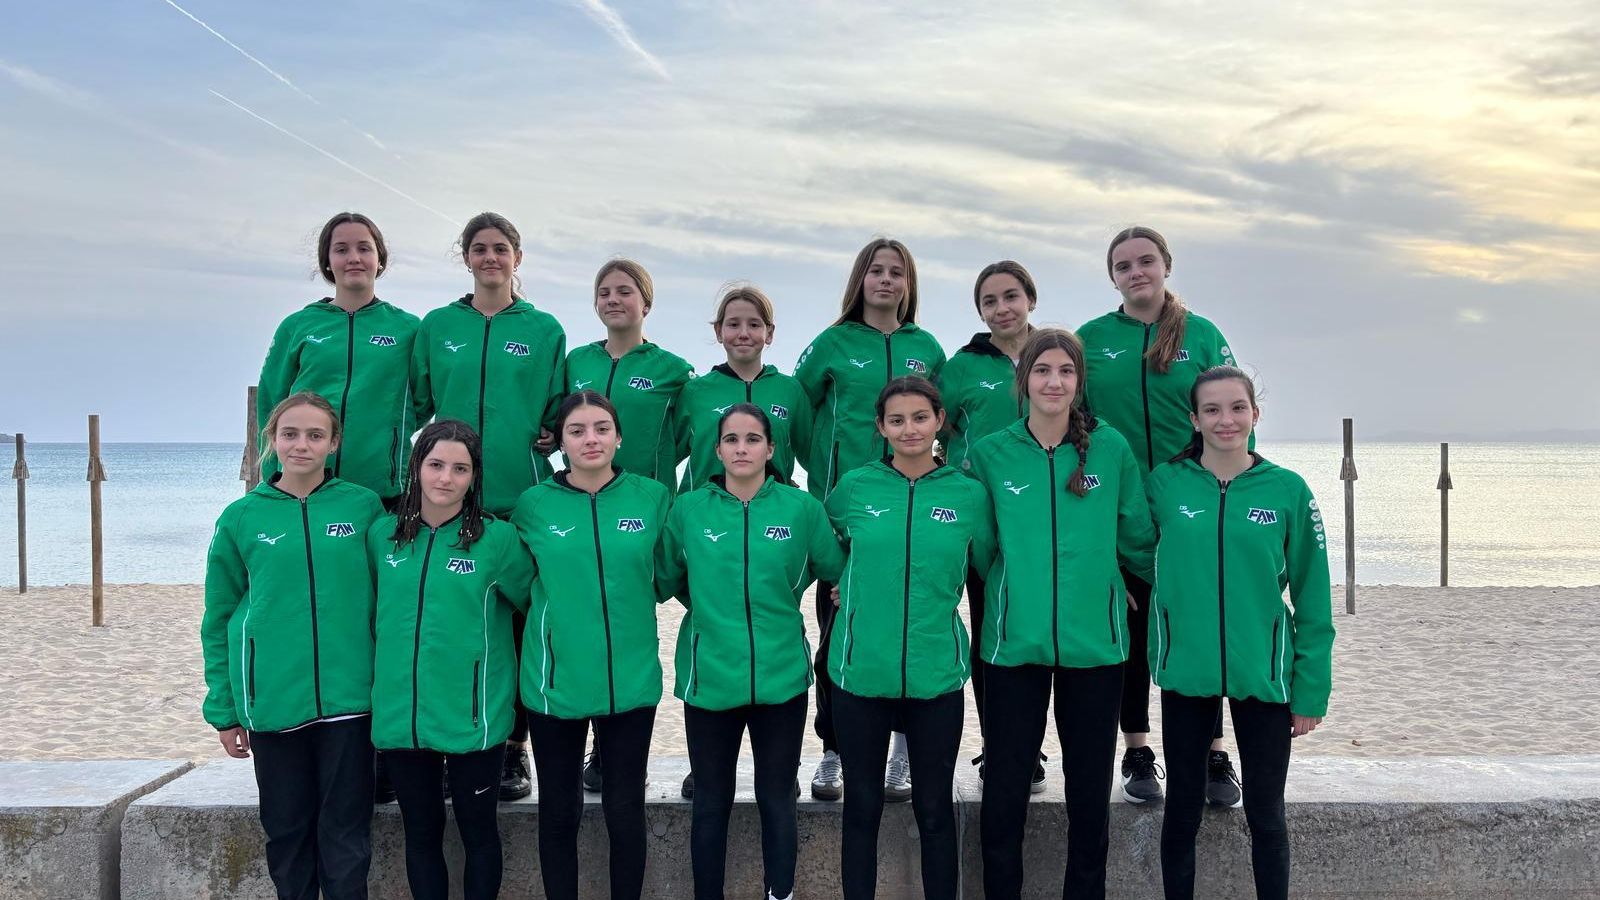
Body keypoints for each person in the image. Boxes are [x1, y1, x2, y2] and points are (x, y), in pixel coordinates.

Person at [968, 328, 1156, 900]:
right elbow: (981, 546)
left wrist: (1116, 579)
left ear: (1079, 381)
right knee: (1005, 789)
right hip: (1012, 644)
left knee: (1088, 790)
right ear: (1022, 379)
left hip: (1095, 646)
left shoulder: (1111, 448)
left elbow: (1137, 537)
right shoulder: (991, 452)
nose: (1054, 381)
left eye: (1066, 371)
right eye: (1043, 370)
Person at [1145, 366, 1334, 900]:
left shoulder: (1288, 490)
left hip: (1264, 675)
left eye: (1237, 408)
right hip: (1186, 671)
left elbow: (1313, 596)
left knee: (1266, 814)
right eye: (1212, 409)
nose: (1225, 420)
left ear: (1255, 414)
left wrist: (1310, 689)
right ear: (1194, 419)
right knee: (1181, 809)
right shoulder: (1165, 484)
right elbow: (1136, 551)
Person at [1077, 225, 1243, 806]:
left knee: (1198, 627)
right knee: (1131, 629)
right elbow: (1071, 416)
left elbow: (1231, 415)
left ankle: (1214, 755)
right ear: (1113, 277)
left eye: (1146, 261)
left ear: (1166, 265)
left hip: (1190, 499)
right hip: (1119, 503)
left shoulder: (1201, 335)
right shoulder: (1092, 338)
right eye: (1124, 265)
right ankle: (1139, 750)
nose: (1136, 272)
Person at [657, 404, 845, 900]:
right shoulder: (688, 510)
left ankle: (778, 893)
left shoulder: (802, 510)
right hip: (709, 679)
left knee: (777, 797)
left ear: (770, 448)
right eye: (732, 440)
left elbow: (834, 567)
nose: (742, 448)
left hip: (782, 678)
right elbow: (666, 580)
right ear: (716, 450)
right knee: (711, 801)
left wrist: (844, 588)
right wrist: (708, 611)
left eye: (753, 439)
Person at [201, 392, 384, 900]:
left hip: (351, 702)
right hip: (274, 703)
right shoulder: (241, 518)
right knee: (286, 833)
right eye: (290, 434)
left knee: (347, 836)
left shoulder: (363, 507)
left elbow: (387, 600)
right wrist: (224, 708)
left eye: (315, 435)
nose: (301, 445)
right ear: (272, 440)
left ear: (333, 443)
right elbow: (218, 619)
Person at [412, 211, 566, 801]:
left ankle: (510, 750)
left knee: (518, 628)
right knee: (456, 626)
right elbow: (420, 401)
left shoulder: (545, 329)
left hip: (518, 498)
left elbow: (557, 410)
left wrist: (548, 434)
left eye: (500, 248)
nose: (490, 258)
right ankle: (454, 741)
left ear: (517, 258)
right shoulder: (437, 325)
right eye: (479, 249)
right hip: (446, 501)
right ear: (467, 258)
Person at [825, 377, 995, 900]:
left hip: (936, 675)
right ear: (880, 428)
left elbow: (990, 567)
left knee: (935, 811)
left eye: (920, 417)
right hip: (859, 676)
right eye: (896, 420)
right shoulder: (855, 487)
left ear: (939, 420)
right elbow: (823, 544)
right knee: (861, 811)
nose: (909, 429)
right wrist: (842, 584)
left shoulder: (968, 495)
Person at [795, 237, 946, 802]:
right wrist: (822, 473)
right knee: (839, 638)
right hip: (848, 516)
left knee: (910, 632)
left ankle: (901, 756)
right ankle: (833, 752)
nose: (886, 280)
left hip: (912, 515)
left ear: (909, 284)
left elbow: (942, 422)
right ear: (860, 279)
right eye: (876, 271)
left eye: (897, 273)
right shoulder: (832, 343)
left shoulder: (926, 346)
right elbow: (793, 410)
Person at [510, 391, 672, 900]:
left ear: (619, 436)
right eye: (577, 430)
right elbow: (519, 585)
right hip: (554, 683)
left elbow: (668, 575)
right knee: (559, 811)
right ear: (559, 442)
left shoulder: (651, 497)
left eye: (601, 428)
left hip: (631, 679)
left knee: (625, 810)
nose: (591, 439)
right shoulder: (533, 504)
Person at [368, 420, 533, 900]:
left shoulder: (498, 541)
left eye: (459, 469)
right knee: (420, 834)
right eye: (436, 464)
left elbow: (532, 609)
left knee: (478, 833)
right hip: (403, 718)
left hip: (474, 719)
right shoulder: (382, 537)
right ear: (416, 467)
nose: (445, 478)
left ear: (474, 477)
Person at [563, 258, 692, 792]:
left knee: (634, 631)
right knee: (581, 624)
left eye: (625, 291)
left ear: (646, 302)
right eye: (604, 292)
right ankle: (581, 741)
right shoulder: (575, 361)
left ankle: (629, 746)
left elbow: (689, 435)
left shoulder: (673, 369)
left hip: (640, 513)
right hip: (583, 507)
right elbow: (558, 421)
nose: (614, 299)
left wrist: (653, 481)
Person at [936, 260, 1036, 784]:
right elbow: (941, 425)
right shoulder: (961, 366)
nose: (1002, 308)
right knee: (985, 631)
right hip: (978, 519)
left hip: (1039, 517)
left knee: (1030, 631)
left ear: (1030, 300)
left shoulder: (1055, 357)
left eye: (1011, 296)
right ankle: (998, 744)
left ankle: (1030, 748)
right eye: (989, 301)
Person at [257, 212, 420, 505]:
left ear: (379, 259)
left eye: (364, 248)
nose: (354, 257)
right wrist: (272, 480)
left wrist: (390, 430)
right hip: (303, 489)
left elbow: (423, 400)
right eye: (342, 250)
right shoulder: (297, 326)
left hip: (381, 493)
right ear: (328, 262)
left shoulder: (407, 329)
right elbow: (271, 403)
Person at [675, 284, 811, 493]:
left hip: (770, 517)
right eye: (734, 324)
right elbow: (664, 457)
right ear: (719, 331)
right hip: (704, 518)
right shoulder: (694, 392)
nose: (744, 333)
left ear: (769, 333)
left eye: (755, 325)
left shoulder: (790, 391)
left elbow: (815, 458)